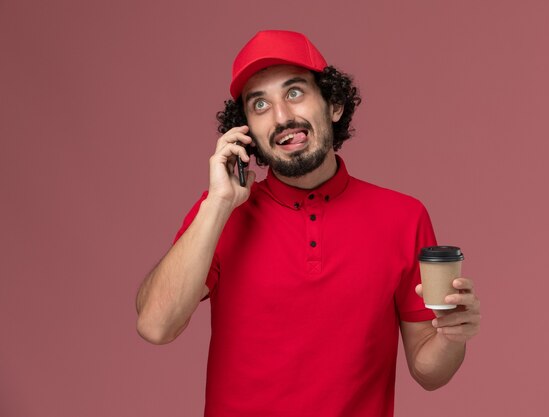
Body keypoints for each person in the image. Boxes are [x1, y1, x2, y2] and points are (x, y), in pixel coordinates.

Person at [136, 30, 481, 417]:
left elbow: (427, 369)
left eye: (295, 93)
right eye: (260, 104)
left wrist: (453, 335)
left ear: (333, 104)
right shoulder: (220, 214)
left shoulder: (404, 216)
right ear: (246, 130)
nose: (282, 117)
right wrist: (218, 203)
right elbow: (155, 326)